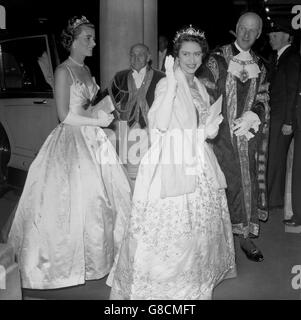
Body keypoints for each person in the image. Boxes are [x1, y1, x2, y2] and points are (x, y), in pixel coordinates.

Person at [107, 26, 236, 300]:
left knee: (200, 224)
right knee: (173, 227)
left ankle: (198, 275)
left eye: (197, 54)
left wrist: (208, 127)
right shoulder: (170, 81)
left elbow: (196, 120)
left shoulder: (198, 83)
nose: (192, 60)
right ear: (176, 56)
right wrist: (174, 83)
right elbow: (160, 125)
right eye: (186, 54)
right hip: (173, 159)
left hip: (197, 157)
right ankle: (166, 283)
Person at [7, 16, 132, 289]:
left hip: (93, 138)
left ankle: (101, 256)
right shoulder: (64, 71)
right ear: (72, 41)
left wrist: (103, 110)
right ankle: (62, 263)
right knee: (79, 199)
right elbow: (64, 115)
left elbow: (87, 105)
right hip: (72, 141)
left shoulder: (86, 69)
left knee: (106, 198)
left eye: (94, 37)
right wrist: (95, 120)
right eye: (88, 38)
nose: (94, 43)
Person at [197, 12, 270, 262]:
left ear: (259, 34)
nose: (247, 34)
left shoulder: (260, 65)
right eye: (243, 28)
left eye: (252, 30)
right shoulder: (217, 59)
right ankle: (218, 243)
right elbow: (202, 95)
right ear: (236, 28)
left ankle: (245, 239)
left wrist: (254, 114)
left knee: (245, 186)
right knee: (220, 186)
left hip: (247, 138)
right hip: (219, 138)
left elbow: (263, 97)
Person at [101, 43, 165, 178]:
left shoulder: (161, 77)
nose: (136, 58)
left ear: (148, 57)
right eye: (132, 55)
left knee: (150, 171)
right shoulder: (120, 77)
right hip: (126, 129)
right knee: (127, 171)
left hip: (150, 130)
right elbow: (105, 100)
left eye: (140, 55)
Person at [266, 20, 301, 215]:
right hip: (277, 115)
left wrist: (289, 121)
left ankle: (272, 200)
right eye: (270, 36)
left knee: (276, 158)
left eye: (275, 35)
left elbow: (293, 91)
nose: (271, 39)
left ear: (287, 37)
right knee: (275, 157)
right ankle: (274, 198)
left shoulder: (292, 58)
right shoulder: (279, 57)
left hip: (283, 118)